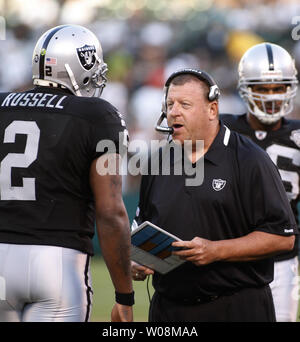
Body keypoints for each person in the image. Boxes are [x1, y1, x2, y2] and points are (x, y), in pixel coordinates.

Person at [131, 68, 297, 322]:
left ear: (212, 110)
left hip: (236, 307)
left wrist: (216, 250)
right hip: (169, 310)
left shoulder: (250, 159)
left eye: (185, 104)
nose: (173, 111)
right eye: (169, 104)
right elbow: (142, 226)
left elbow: (282, 238)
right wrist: (138, 261)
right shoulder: (158, 160)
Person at [0, 25, 134, 322]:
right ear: (79, 66)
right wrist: (125, 296)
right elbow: (111, 212)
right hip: (56, 261)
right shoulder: (97, 115)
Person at [221, 42, 300, 322]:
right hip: (226, 256)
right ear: (244, 88)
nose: (271, 96)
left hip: (281, 261)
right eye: (262, 88)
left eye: (278, 88)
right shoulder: (221, 129)